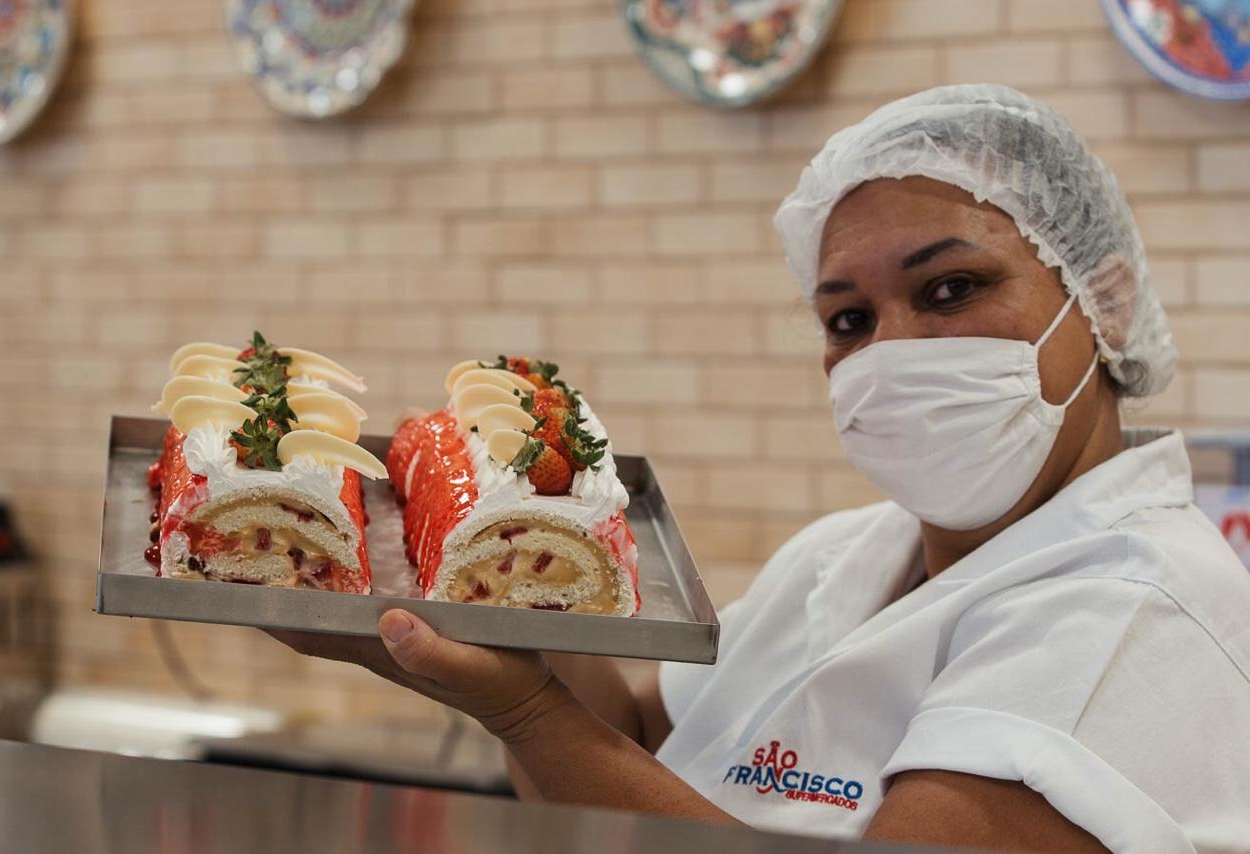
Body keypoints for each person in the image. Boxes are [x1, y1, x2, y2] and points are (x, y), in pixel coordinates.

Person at [271, 85, 1250, 853]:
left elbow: (578, 750)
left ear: (1105, 304)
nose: (891, 351)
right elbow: (628, 753)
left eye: (949, 287)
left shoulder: (1133, 610)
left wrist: (521, 709)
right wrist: (497, 592)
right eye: (847, 321)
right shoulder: (840, 559)